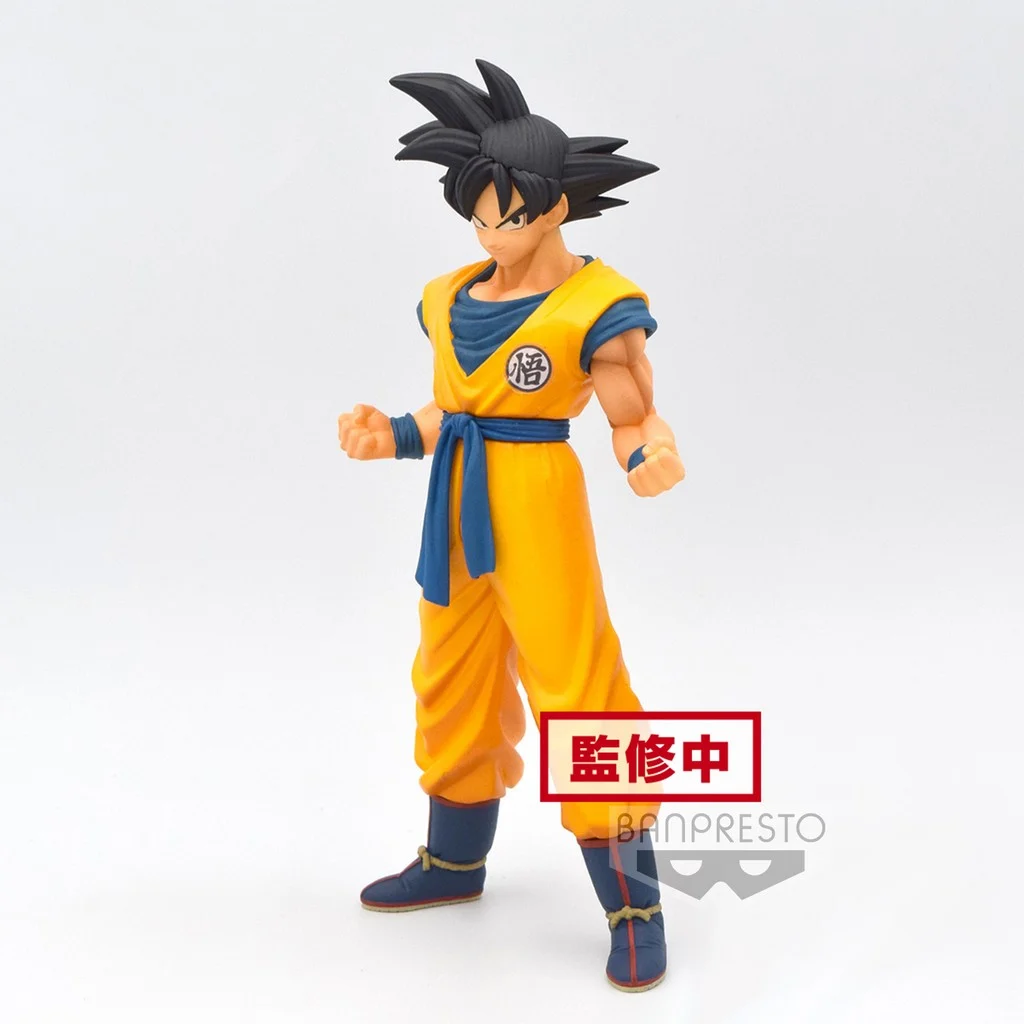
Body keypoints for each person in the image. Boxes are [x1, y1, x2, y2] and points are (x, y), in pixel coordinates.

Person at [337, 59, 684, 992]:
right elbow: (453, 412)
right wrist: (392, 436)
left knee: (580, 684)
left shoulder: (595, 306)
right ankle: (454, 860)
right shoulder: (450, 296)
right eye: (480, 218)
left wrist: (648, 452)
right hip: (454, 502)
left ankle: (635, 904)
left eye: (512, 217)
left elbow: (633, 414)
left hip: (537, 500)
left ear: (556, 207)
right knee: (452, 672)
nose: (494, 234)